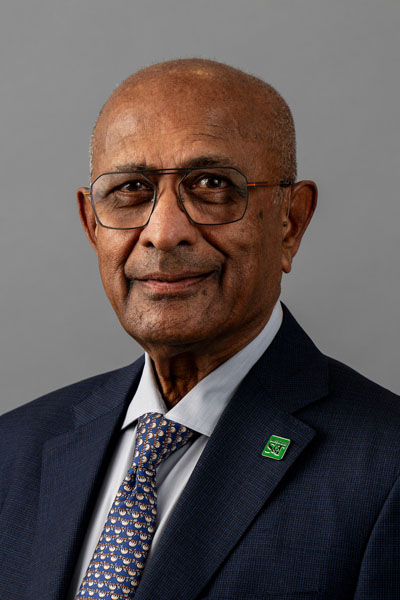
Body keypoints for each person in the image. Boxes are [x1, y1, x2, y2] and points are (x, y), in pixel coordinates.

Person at [0, 58, 399, 600]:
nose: (163, 233)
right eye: (132, 189)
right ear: (92, 225)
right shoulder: (13, 449)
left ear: (291, 221)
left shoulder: (384, 470)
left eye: (212, 185)